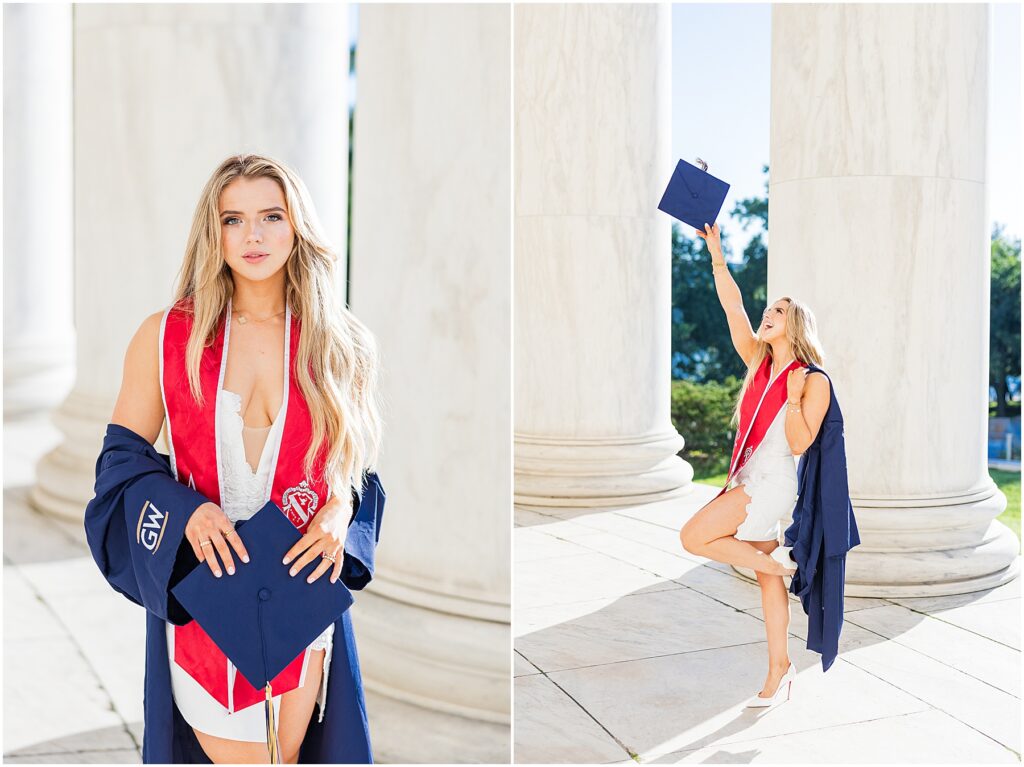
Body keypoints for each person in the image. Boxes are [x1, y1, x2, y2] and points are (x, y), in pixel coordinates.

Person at [84, 153, 384, 763]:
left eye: (271, 216)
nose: (253, 235)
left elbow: (352, 472)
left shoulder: (339, 343)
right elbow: (120, 462)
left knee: (286, 757)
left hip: (300, 597)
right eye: (233, 219)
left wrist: (338, 514)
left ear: (296, 226)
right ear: (212, 231)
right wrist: (184, 509)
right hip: (207, 594)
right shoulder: (167, 336)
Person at [679, 222, 831, 708]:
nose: (767, 315)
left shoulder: (810, 380)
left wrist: (790, 401)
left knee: (694, 536)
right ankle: (779, 670)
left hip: (773, 483)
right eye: (768, 309)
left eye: (779, 312)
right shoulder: (758, 363)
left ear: (797, 324)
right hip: (748, 476)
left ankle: (782, 567)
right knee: (767, 580)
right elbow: (732, 306)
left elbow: (802, 442)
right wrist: (718, 258)